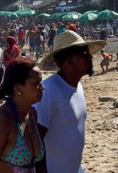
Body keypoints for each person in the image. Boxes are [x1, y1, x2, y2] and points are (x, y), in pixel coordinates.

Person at [35, 30, 106, 173]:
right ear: (69, 60)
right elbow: (35, 139)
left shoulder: (78, 86)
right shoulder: (50, 90)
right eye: (85, 54)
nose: (90, 58)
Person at [0, 59, 45, 172]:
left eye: (41, 82)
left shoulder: (32, 114)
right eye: (36, 83)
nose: (42, 87)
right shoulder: (1, 119)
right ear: (18, 88)